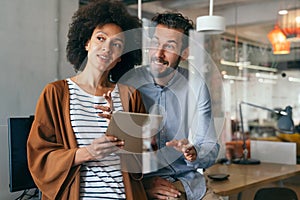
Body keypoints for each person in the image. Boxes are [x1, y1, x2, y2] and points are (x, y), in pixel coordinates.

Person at [26, 1, 147, 199]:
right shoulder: (56, 93)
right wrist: (88, 153)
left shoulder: (130, 96)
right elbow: (39, 156)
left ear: (120, 57)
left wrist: (122, 128)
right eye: (101, 38)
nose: (107, 48)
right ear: (87, 43)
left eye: (117, 44)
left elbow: (142, 161)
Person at [122, 12, 220, 200]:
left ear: (184, 53)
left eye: (170, 46)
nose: (158, 53)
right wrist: (142, 185)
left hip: (190, 183)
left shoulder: (196, 86)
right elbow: (119, 153)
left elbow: (210, 145)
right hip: (147, 185)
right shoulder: (129, 84)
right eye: (155, 43)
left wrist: (193, 152)